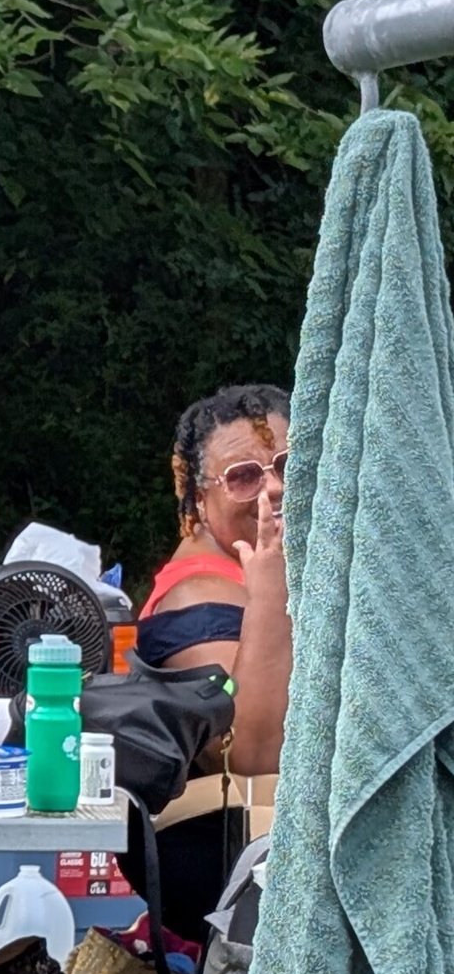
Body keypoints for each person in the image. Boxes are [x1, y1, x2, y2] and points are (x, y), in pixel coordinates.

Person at [132, 382, 292, 942]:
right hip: (226, 861)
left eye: (287, 465)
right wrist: (270, 593)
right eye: (244, 476)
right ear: (199, 499)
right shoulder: (197, 598)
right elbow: (250, 755)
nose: (274, 487)